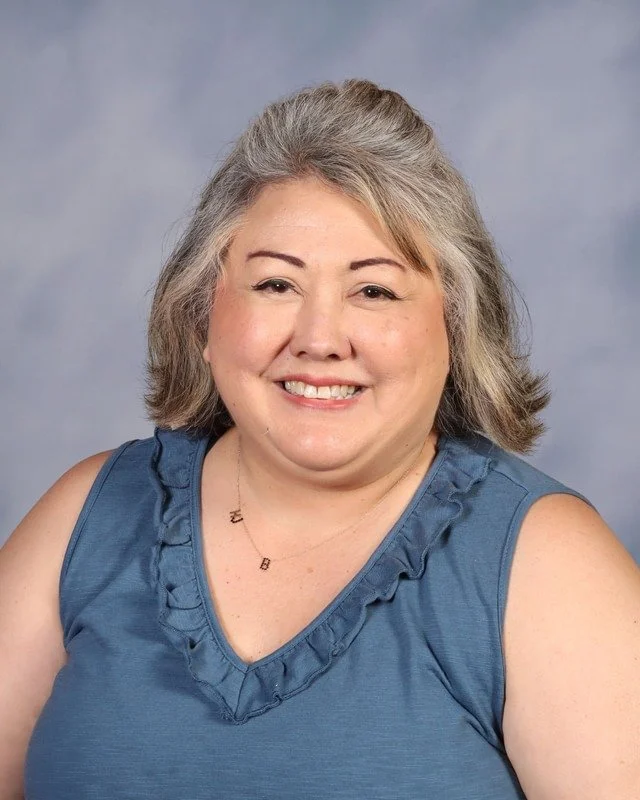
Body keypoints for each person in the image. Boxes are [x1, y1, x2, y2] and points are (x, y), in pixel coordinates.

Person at [1, 79, 638, 800]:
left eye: (374, 291)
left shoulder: (548, 563)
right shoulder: (88, 516)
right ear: (203, 314)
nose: (319, 338)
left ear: (456, 330)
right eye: (277, 284)